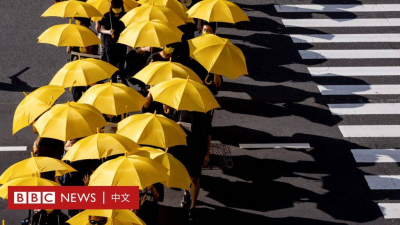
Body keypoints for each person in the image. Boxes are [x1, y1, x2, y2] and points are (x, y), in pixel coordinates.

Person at [169, 110, 213, 221]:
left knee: (194, 178)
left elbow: (208, 135)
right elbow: (170, 128)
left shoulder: (203, 115)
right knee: (184, 174)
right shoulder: (178, 112)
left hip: (196, 151)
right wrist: (176, 126)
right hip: (181, 149)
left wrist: (207, 154)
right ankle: (186, 192)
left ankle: (192, 207)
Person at [188, 22, 222, 96]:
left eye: (208, 31)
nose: (205, 32)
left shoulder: (217, 50)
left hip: (208, 83)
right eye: (204, 30)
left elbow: (217, 84)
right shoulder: (195, 44)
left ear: (213, 32)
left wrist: (215, 70)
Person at [99, 0, 128, 85]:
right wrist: (108, 32)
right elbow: (101, 29)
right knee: (111, 66)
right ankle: (113, 82)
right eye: (115, 8)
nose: (117, 10)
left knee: (120, 65)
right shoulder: (106, 16)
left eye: (118, 8)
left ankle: (122, 82)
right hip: (109, 44)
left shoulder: (125, 16)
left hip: (121, 44)